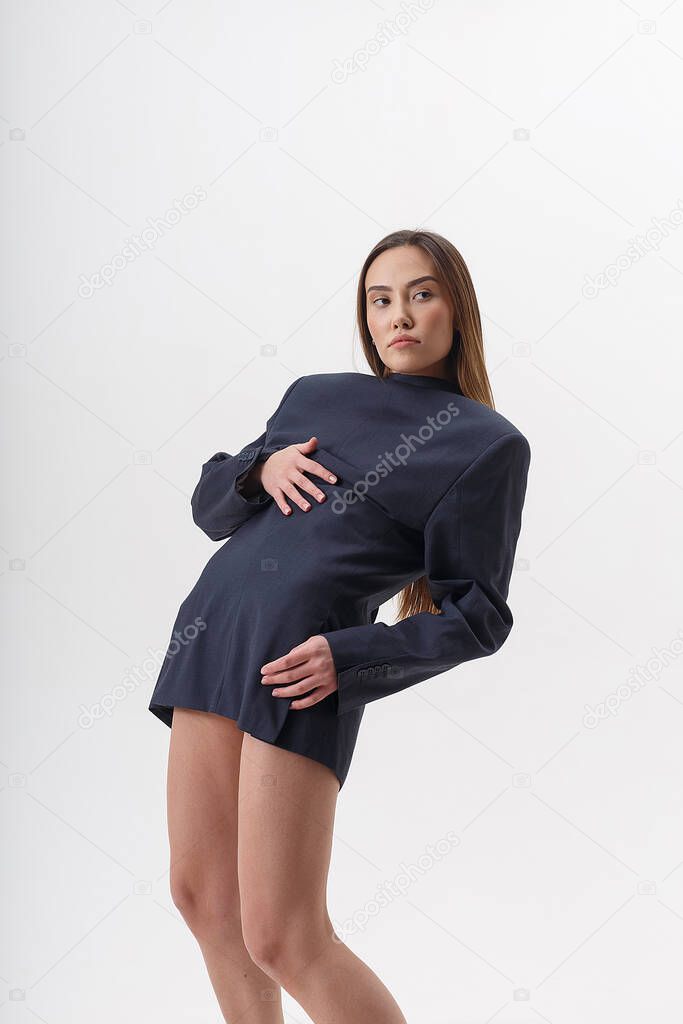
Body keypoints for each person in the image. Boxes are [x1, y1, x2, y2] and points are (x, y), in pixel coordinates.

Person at [148, 228, 531, 1023]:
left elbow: (478, 614)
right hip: (212, 638)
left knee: (285, 936)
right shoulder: (313, 394)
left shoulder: (484, 444)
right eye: (380, 299)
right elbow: (208, 506)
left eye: (421, 293)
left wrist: (349, 658)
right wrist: (259, 469)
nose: (399, 315)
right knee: (200, 898)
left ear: (457, 306)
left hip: (301, 666)